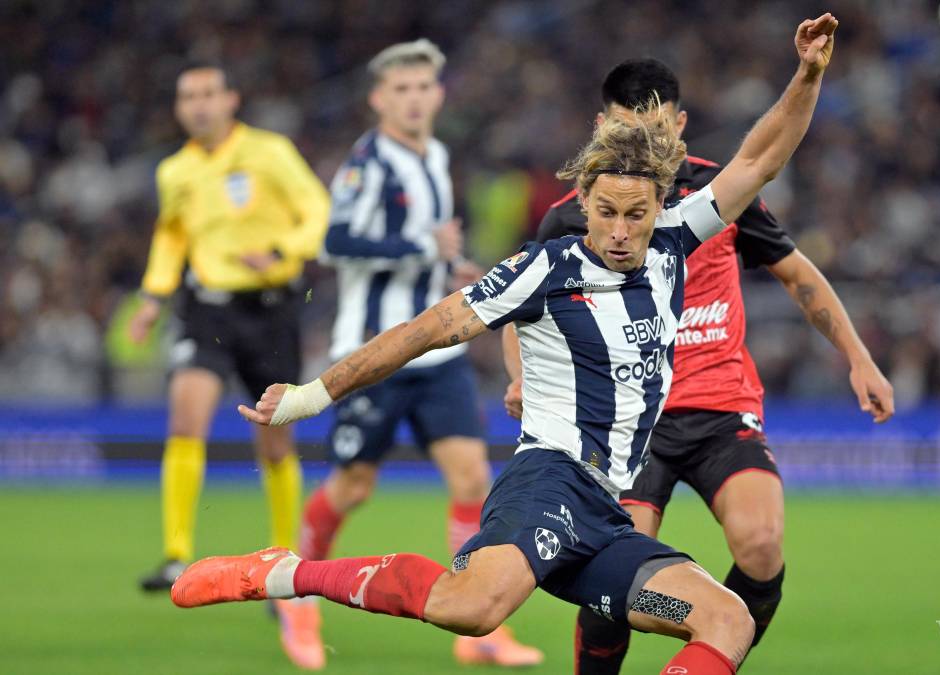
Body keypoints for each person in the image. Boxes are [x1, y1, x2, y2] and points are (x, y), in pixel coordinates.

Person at [172, 14, 839, 675]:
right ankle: (285, 572)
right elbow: (421, 331)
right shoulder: (543, 268)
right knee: (471, 608)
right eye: (606, 212)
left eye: (636, 215)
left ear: (659, 206)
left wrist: (807, 74)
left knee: (728, 619)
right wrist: (310, 396)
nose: (619, 230)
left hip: (605, 515)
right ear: (584, 200)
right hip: (548, 483)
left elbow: (761, 159)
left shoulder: (674, 240)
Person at [503, 58, 894, 672]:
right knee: (614, 571)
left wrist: (859, 357)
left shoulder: (718, 195)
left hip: (720, 407)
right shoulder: (576, 214)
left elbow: (797, 272)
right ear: (601, 127)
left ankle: (711, 652)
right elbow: (520, 303)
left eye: (656, 129)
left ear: (680, 126)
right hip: (629, 421)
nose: (641, 145)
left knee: (761, 546)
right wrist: (522, 375)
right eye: (627, 130)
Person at [289, 40, 542, 669]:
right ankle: (296, 596)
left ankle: (476, 627)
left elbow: (431, 249)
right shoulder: (368, 163)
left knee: (471, 476)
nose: (413, 99)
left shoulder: (437, 156)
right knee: (353, 487)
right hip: (373, 352)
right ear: (379, 99)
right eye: (400, 89)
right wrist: (420, 246)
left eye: (422, 87)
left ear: (439, 94)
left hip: (436, 352)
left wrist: (453, 267)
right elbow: (334, 241)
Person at [129, 63, 329, 599]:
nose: (198, 105)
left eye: (208, 94)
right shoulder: (175, 170)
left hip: (271, 310)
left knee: (274, 439)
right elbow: (171, 235)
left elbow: (316, 210)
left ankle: (284, 558)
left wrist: (283, 250)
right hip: (207, 309)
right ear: (179, 108)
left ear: (230, 100)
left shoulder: (270, 152)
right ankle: (176, 554)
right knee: (185, 414)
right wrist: (153, 296)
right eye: (188, 96)